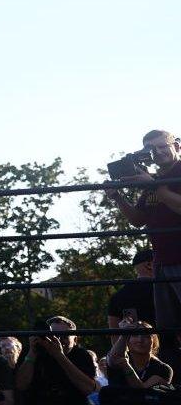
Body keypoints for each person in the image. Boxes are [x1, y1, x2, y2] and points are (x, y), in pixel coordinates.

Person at [107, 130, 181, 336]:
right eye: (150, 149)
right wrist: (118, 197)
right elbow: (138, 220)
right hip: (162, 261)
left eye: (162, 146)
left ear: (176, 146)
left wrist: (154, 186)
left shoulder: (160, 179)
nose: (157, 152)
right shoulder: (153, 180)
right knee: (168, 328)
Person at [15, 315, 98, 405]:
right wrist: (32, 353)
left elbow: (89, 389)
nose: (57, 340)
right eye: (52, 335)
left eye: (64, 336)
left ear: (75, 340)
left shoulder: (81, 355)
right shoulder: (32, 351)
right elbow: (20, 385)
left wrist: (59, 355)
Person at [107, 249, 156, 344]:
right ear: (149, 265)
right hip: (169, 350)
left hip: (133, 351)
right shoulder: (167, 291)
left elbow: (115, 336)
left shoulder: (118, 296)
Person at [106, 318, 173, 388]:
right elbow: (114, 358)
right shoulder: (118, 356)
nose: (140, 340)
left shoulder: (163, 369)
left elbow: (141, 391)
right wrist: (124, 334)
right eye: (135, 335)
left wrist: (126, 366)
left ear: (154, 342)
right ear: (127, 341)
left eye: (146, 336)